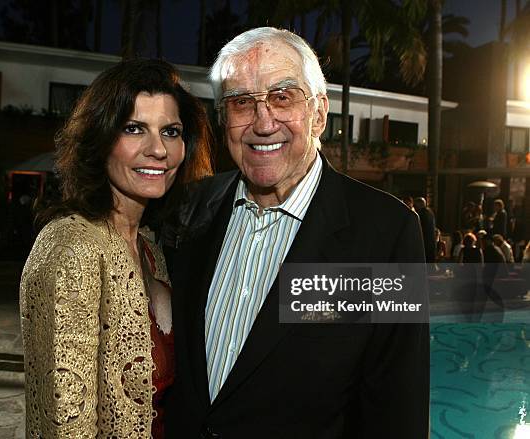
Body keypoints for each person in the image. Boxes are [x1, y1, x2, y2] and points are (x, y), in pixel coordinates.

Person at [163, 27, 429, 438]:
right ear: (223, 120)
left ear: (319, 113)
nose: (263, 122)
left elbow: (397, 407)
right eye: (240, 103)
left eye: (282, 96)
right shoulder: (189, 207)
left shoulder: (385, 235)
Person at [19, 59, 212, 438]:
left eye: (171, 131)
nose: (158, 150)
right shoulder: (72, 248)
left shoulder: (151, 250)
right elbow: (65, 421)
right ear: (101, 138)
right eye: (134, 128)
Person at [415, 197, 436, 264]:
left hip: (424, 241)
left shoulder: (421, 214)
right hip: (431, 240)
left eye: (416, 205)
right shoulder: (430, 213)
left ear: (420, 204)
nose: (415, 207)